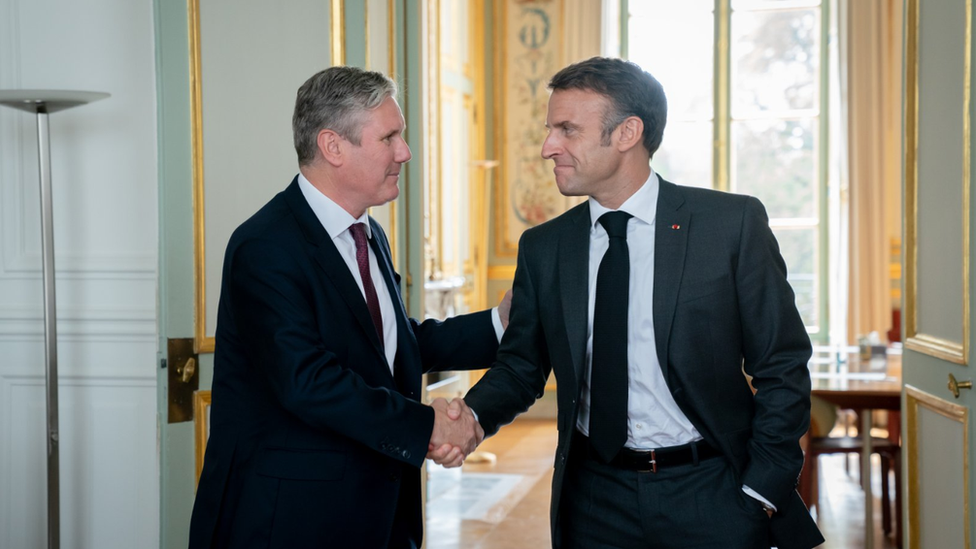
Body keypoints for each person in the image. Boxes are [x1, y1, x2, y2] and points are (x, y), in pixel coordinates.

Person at [456, 57, 825, 548]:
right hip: (592, 500)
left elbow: (781, 363)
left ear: (628, 132)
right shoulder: (545, 246)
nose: (549, 148)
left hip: (712, 493)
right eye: (550, 130)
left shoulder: (728, 225)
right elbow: (522, 366)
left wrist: (761, 490)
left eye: (567, 130)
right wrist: (471, 417)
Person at [188, 66, 508, 549]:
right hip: (292, 522)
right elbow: (308, 380)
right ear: (333, 146)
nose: (405, 152)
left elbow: (392, 344)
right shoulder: (265, 245)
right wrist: (429, 426)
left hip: (375, 513)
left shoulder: (369, 234)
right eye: (390, 137)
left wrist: (499, 323)